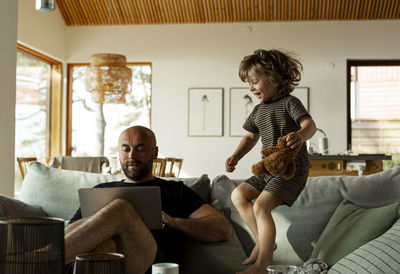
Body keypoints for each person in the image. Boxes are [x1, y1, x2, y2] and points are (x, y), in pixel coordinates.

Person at [65, 126, 232, 274]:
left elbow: (222, 228)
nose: (131, 156)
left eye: (139, 149)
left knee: (121, 208)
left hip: (150, 262)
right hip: (94, 263)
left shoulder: (175, 190)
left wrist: (173, 222)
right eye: (125, 149)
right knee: (105, 248)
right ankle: (46, 258)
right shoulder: (100, 191)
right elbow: (74, 231)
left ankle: (42, 259)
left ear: (155, 152)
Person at [225, 49, 317, 274]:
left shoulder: (290, 102)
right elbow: (250, 137)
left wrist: (301, 135)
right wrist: (236, 156)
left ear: (274, 78)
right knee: (238, 195)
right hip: (269, 169)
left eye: (255, 81)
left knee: (261, 205)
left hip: (291, 169)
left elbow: (309, 124)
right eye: (249, 83)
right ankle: (263, 241)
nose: (251, 87)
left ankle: (264, 263)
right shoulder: (257, 111)